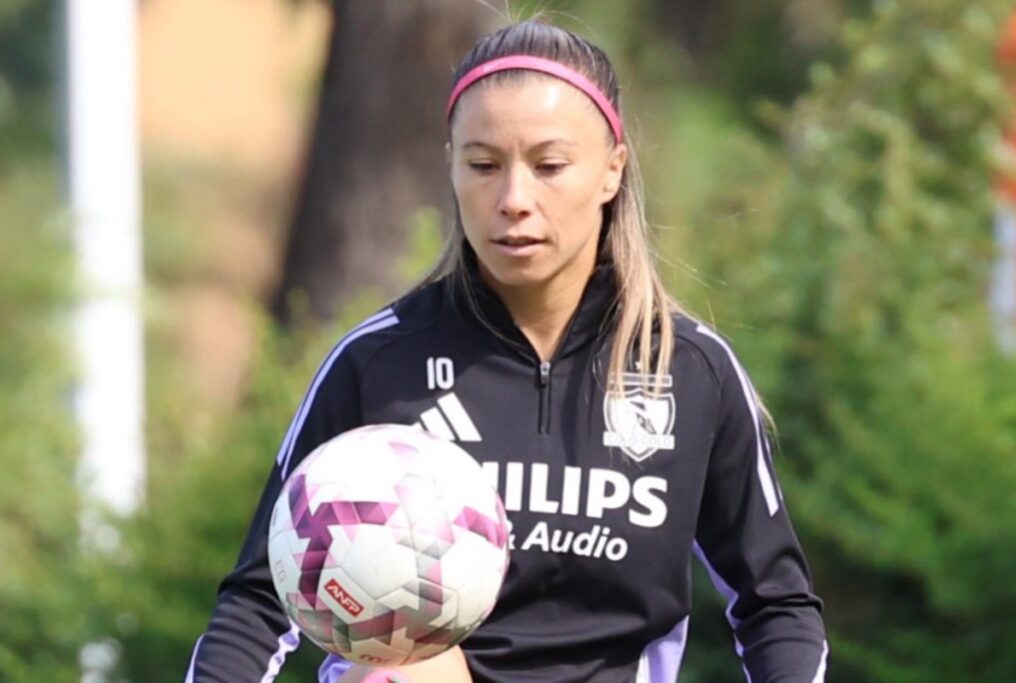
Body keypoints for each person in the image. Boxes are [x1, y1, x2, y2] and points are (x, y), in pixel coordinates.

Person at [185, 19, 828, 683]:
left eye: (549, 166)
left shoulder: (690, 372)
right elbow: (262, 599)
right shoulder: (379, 363)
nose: (514, 200)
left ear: (611, 170)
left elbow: (776, 605)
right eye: (484, 165)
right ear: (451, 167)